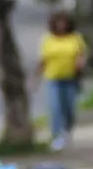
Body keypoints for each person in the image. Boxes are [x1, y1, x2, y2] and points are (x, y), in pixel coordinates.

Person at [36, 11, 87, 152]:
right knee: (55, 108)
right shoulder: (48, 39)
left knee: (69, 108)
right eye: (59, 23)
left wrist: (80, 63)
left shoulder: (75, 38)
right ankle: (57, 136)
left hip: (70, 78)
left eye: (64, 23)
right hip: (53, 78)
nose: (62, 26)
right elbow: (43, 60)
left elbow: (81, 54)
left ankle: (67, 130)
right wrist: (36, 78)